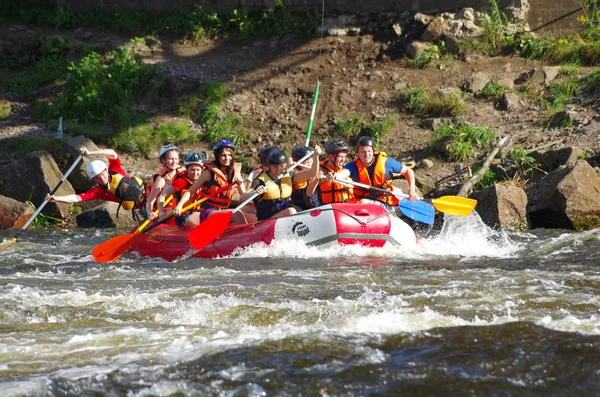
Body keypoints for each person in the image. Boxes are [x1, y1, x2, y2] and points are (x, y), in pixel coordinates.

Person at [46, 147, 145, 216]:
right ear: (93, 180)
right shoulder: (98, 191)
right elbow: (76, 198)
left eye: (102, 174)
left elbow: (112, 153)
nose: (101, 178)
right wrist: (56, 198)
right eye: (97, 178)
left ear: (106, 170)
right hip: (143, 210)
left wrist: (90, 153)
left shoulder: (116, 170)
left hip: (150, 194)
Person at [178, 139, 247, 225]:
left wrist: (240, 184)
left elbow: (244, 197)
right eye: (223, 155)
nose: (227, 158)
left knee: (252, 214)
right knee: (237, 214)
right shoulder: (209, 173)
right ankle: (247, 237)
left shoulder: (236, 173)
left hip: (224, 210)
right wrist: (179, 205)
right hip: (208, 212)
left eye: (229, 155)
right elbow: (190, 191)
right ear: (217, 156)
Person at [242, 146, 321, 221]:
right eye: (275, 166)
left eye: (281, 166)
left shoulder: (289, 175)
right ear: (269, 167)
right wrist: (255, 193)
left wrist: (316, 157)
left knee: (296, 210)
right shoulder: (260, 181)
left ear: (285, 165)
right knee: (291, 211)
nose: (279, 170)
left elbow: (312, 173)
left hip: (282, 218)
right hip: (267, 220)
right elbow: (242, 198)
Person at [341, 135, 418, 208]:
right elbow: (342, 174)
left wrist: (412, 189)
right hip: (364, 204)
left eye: (369, 151)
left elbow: (408, 170)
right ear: (358, 153)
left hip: (385, 203)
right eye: (363, 152)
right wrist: (333, 177)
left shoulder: (386, 162)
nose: (366, 154)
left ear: (373, 151)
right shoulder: (352, 166)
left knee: (363, 202)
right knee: (362, 202)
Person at [156, 152, 206, 227]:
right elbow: (162, 196)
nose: (195, 173)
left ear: (202, 170)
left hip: (198, 212)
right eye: (192, 170)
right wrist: (161, 213)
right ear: (187, 169)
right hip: (182, 215)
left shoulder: (204, 181)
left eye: (198, 170)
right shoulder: (180, 182)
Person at [145, 144, 186, 220]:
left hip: (181, 206)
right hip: (167, 210)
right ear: (163, 161)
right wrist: (149, 212)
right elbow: (150, 201)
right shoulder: (161, 179)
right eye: (171, 159)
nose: (174, 162)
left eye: (176, 159)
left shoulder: (183, 171)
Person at [317, 139, 355, 204]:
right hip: (329, 207)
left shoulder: (346, 169)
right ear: (330, 157)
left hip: (348, 206)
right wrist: (326, 178)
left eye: (344, 156)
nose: (343, 160)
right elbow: (318, 180)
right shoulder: (320, 169)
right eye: (340, 157)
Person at [290, 145, 320, 211]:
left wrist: (321, 179)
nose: (309, 165)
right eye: (307, 163)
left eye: (310, 161)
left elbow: (311, 191)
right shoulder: (295, 175)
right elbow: (308, 193)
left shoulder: (315, 171)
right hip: (300, 210)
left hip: (314, 207)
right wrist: (316, 157)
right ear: (298, 164)